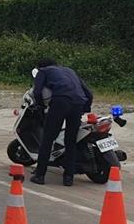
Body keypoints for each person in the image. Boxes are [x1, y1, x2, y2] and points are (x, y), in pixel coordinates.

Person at [30, 58, 93, 187]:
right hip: (78, 103)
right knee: (70, 141)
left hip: (60, 102)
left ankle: (40, 175)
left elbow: (37, 91)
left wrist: (40, 106)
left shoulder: (43, 71)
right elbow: (89, 94)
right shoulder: (69, 71)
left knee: (48, 139)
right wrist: (84, 109)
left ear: (40, 67)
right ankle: (68, 178)